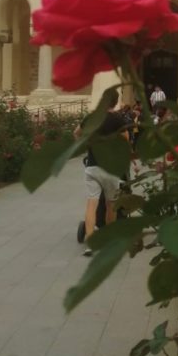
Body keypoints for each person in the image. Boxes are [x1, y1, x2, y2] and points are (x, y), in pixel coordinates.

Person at [76, 88, 129, 257]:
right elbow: (126, 138)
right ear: (115, 102)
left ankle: (91, 244)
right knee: (111, 205)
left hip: (92, 166)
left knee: (92, 204)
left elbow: (76, 133)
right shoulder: (117, 119)